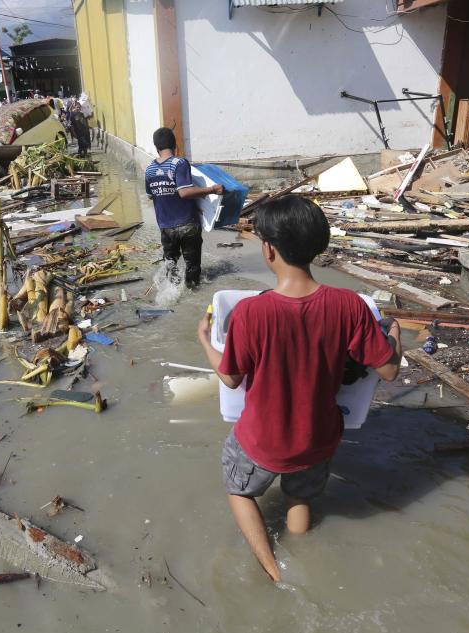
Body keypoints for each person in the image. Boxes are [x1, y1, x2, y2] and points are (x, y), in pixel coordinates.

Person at [195, 196, 402, 583]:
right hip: (318, 439)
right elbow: (388, 370)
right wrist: (396, 334)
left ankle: (274, 572)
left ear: (269, 249)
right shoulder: (350, 305)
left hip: (263, 440)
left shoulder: (251, 313)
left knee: (238, 491)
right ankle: (305, 556)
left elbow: (231, 378)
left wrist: (205, 339)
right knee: (300, 496)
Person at [144, 127, 221, 288]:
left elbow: (151, 196)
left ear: (156, 148)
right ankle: (192, 292)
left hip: (166, 226)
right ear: (175, 145)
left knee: (170, 263)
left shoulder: (149, 170)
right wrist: (212, 189)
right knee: (192, 266)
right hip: (187, 224)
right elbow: (184, 192)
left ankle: (171, 293)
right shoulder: (179, 163)